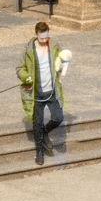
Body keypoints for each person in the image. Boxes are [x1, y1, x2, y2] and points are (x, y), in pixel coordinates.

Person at [17, 20, 72, 165]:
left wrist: (65, 63)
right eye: (41, 38)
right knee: (37, 123)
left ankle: (44, 131)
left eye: (46, 37)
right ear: (36, 34)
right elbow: (20, 69)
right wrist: (26, 77)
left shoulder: (54, 46)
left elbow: (62, 60)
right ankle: (39, 152)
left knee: (58, 117)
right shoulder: (28, 49)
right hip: (35, 93)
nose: (44, 40)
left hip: (52, 90)